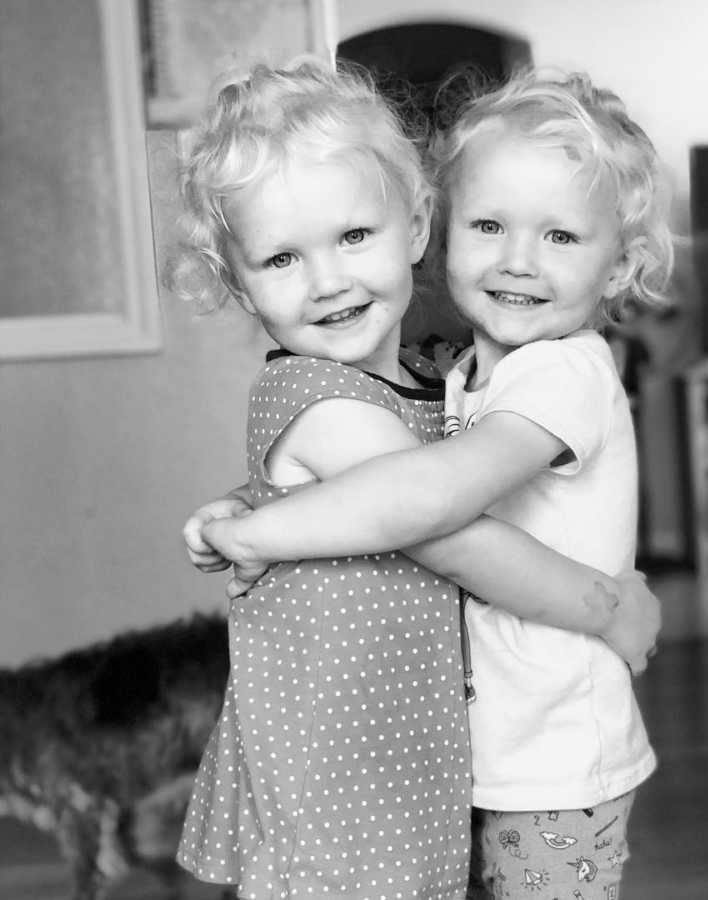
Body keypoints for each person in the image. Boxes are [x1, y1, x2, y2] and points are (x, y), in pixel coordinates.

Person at [173, 58, 661, 900]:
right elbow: (430, 516)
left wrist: (258, 519)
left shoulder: (481, 378)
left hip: (507, 759)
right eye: (282, 258)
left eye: (353, 237)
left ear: (416, 225)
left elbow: (415, 498)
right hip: (355, 774)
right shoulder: (333, 393)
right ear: (235, 280)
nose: (327, 281)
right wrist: (608, 603)